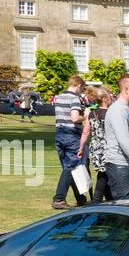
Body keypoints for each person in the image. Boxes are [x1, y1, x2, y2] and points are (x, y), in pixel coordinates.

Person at [103, 74, 129, 199]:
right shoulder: (118, 110)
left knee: (127, 207)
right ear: (126, 90)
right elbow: (123, 140)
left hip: (125, 165)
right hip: (119, 165)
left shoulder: (125, 109)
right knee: (125, 208)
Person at [51, 75, 87, 209]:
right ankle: (59, 199)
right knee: (71, 167)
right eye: (82, 88)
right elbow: (75, 118)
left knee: (70, 167)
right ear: (78, 85)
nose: (81, 91)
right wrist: (86, 116)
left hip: (59, 133)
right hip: (71, 135)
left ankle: (80, 198)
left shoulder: (59, 97)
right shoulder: (74, 98)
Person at [79, 87, 113, 202]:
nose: (111, 97)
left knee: (104, 174)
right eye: (109, 95)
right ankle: (97, 200)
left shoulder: (92, 114)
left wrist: (81, 148)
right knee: (103, 176)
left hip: (96, 148)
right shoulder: (110, 114)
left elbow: (85, 132)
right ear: (104, 98)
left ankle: (109, 199)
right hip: (107, 148)